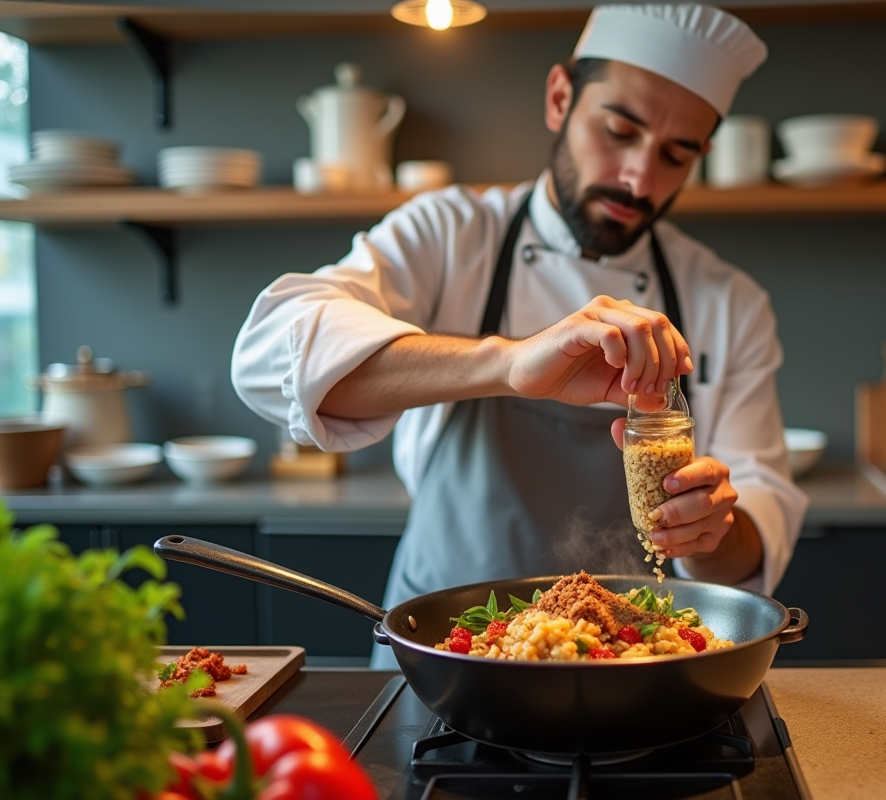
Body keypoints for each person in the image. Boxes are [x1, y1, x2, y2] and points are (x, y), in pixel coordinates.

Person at [231, 2, 808, 669]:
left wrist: (711, 528)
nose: (639, 178)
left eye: (678, 155)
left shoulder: (727, 300)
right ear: (560, 98)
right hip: (444, 652)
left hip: (626, 666)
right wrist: (505, 362)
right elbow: (270, 346)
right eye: (620, 129)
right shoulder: (449, 233)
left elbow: (755, 529)